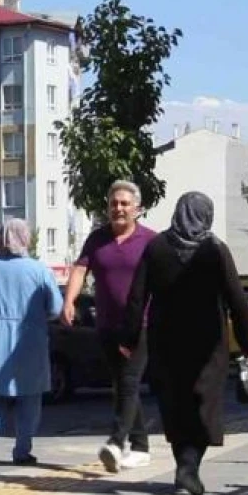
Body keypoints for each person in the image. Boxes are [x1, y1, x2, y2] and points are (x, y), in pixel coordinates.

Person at [120, 192, 248, 495]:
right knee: (204, 406)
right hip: (207, 344)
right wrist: (247, 345)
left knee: (175, 404)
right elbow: (238, 301)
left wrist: (129, 338)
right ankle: (188, 468)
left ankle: (185, 466)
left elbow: (137, 297)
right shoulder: (215, 249)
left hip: (166, 340)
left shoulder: (156, 247)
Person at [62, 180, 157, 473]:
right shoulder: (97, 239)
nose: (118, 208)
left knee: (128, 382)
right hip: (107, 325)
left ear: (137, 209)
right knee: (122, 385)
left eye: (125, 203)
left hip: (141, 325)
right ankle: (140, 447)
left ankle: (116, 442)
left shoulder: (150, 241)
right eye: (114, 203)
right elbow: (80, 269)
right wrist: (69, 301)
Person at [0, 219, 64, 465]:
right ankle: (22, 451)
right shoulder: (39, 269)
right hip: (29, 337)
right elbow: (55, 307)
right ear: (26, 238)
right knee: (29, 397)